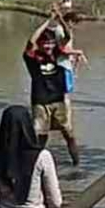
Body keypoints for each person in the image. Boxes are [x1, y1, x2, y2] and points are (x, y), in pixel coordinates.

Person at [23, 10, 80, 165]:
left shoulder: (57, 54)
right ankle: (36, 165)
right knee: (40, 136)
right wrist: (48, 21)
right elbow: (31, 41)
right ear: (40, 45)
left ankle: (77, 164)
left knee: (69, 133)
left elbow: (67, 36)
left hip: (58, 101)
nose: (48, 46)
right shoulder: (33, 58)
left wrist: (60, 18)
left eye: (50, 43)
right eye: (45, 43)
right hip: (40, 102)